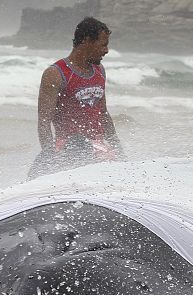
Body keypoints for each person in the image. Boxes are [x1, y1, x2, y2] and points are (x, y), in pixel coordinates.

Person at [29, 17, 124, 179]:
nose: (107, 50)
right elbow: (44, 121)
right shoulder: (55, 74)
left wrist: (119, 150)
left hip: (99, 148)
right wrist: (49, 157)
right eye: (103, 44)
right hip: (68, 148)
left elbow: (103, 114)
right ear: (86, 41)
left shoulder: (99, 70)